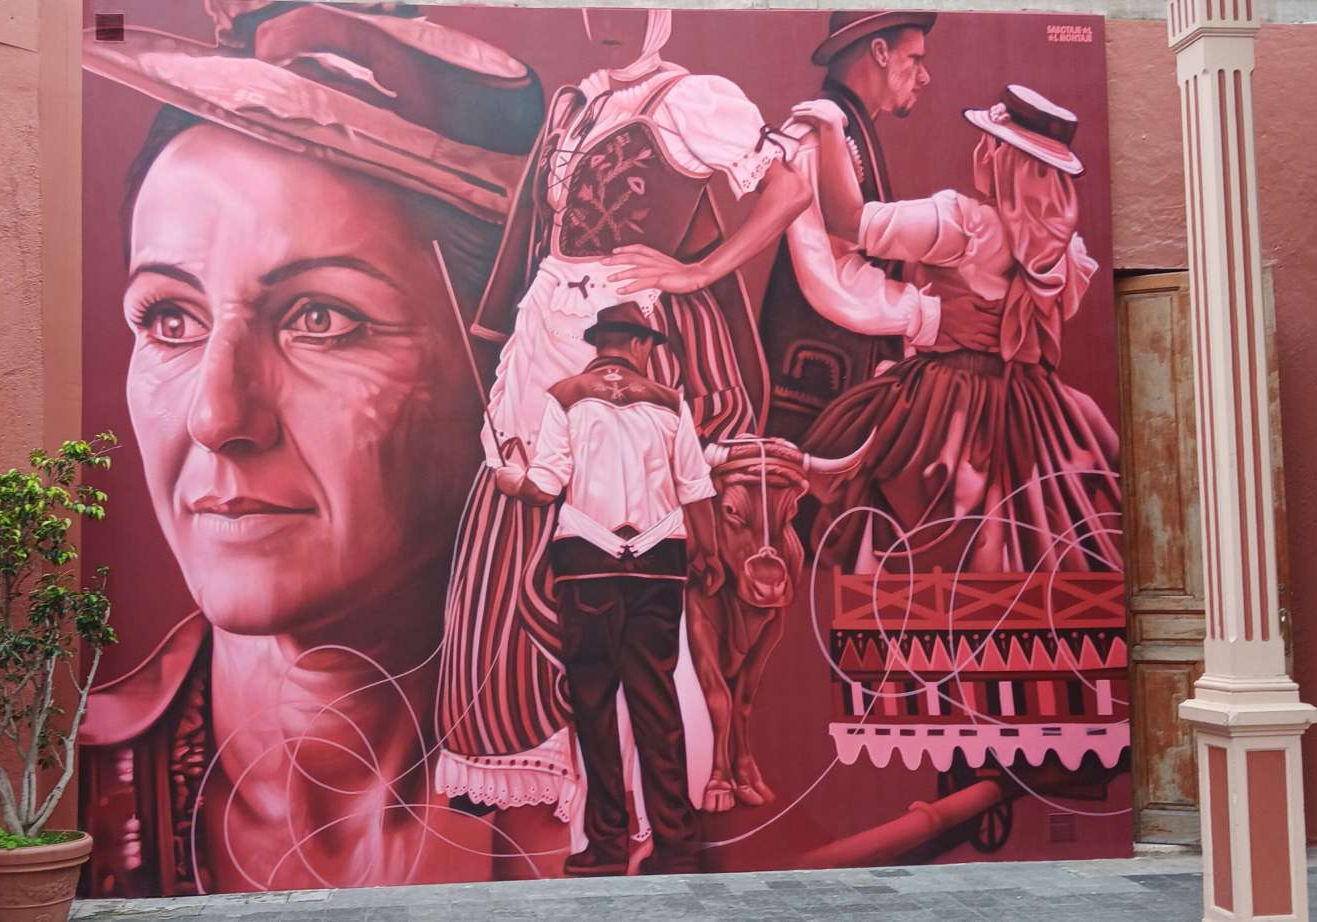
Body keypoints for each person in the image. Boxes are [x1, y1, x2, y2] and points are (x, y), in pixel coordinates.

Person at [75, 2, 572, 894]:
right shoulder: (85, 789)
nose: (218, 416)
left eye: (321, 318)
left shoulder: (628, 793)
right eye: (171, 319)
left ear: (503, 369)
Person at [434, 7, 808, 835]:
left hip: (626, 331)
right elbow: (537, 230)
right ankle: (538, 750)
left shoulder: (693, 101)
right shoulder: (578, 101)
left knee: (610, 542)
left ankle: (633, 792)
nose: (604, 18)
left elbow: (790, 189)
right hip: (547, 327)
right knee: (517, 512)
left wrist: (698, 271)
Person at [791, 85, 1123, 574]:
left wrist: (831, 132)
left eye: (989, 142)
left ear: (1000, 157)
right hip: (1035, 408)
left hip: (945, 401)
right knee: (1042, 529)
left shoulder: (963, 224)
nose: (980, 150)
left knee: (886, 497)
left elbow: (848, 221)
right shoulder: (1065, 251)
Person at [492, 303, 725, 876]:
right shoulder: (669, 402)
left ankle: (605, 846)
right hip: (657, 568)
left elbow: (545, 487)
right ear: (641, 345)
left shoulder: (564, 396)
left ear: (600, 344)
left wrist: (510, 479)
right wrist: (711, 554)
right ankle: (676, 846)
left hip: (587, 567)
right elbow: (696, 489)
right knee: (657, 705)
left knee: (594, 707)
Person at [760, 11, 937, 443]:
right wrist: (924, 313)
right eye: (914, 59)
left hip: (846, 379)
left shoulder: (848, 128)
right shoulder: (811, 135)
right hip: (814, 389)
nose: (925, 77)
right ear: (880, 52)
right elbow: (829, 279)